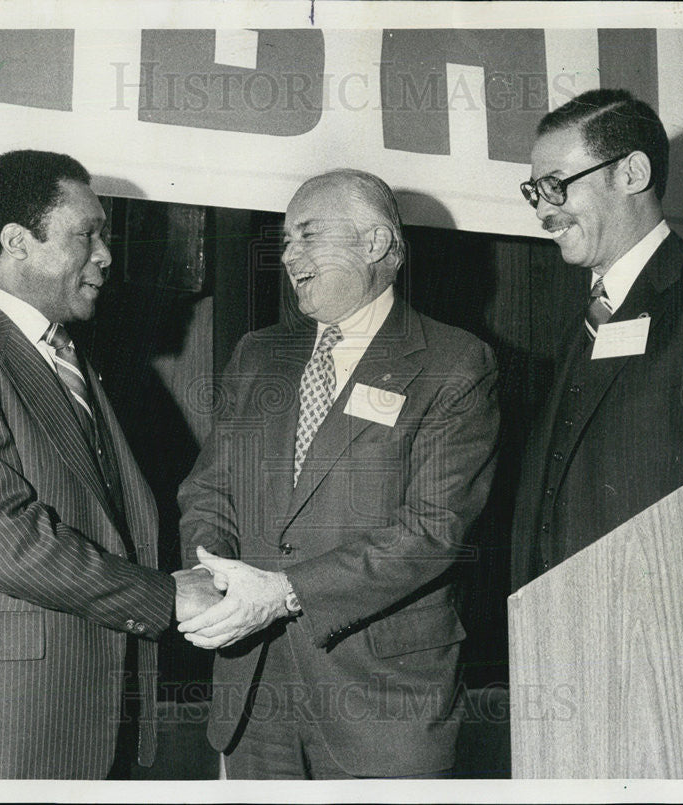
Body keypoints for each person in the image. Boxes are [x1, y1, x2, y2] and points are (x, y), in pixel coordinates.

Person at [0, 150, 221, 779]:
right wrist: (167, 598)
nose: (105, 255)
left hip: (96, 716)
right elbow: (5, 543)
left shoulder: (72, 359)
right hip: (3, 728)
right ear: (18, 241)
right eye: (86, 234)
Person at [175, 169, 502, 779]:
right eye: (285, 239)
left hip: (381, 708)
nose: (288, 254)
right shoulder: (257, 354)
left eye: (306, 234)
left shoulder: (454, 364)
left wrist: (283, 592)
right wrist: (216, 576)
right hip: (254, 697)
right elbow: (208, 491)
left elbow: (431, 533)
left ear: (375, 243)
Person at [510, 89, 683, 592]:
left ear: (632, 173)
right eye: (534, 191)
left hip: (664, 633)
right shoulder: (581, 319)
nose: (543, 211)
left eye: (555, 185)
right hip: (554, 626)